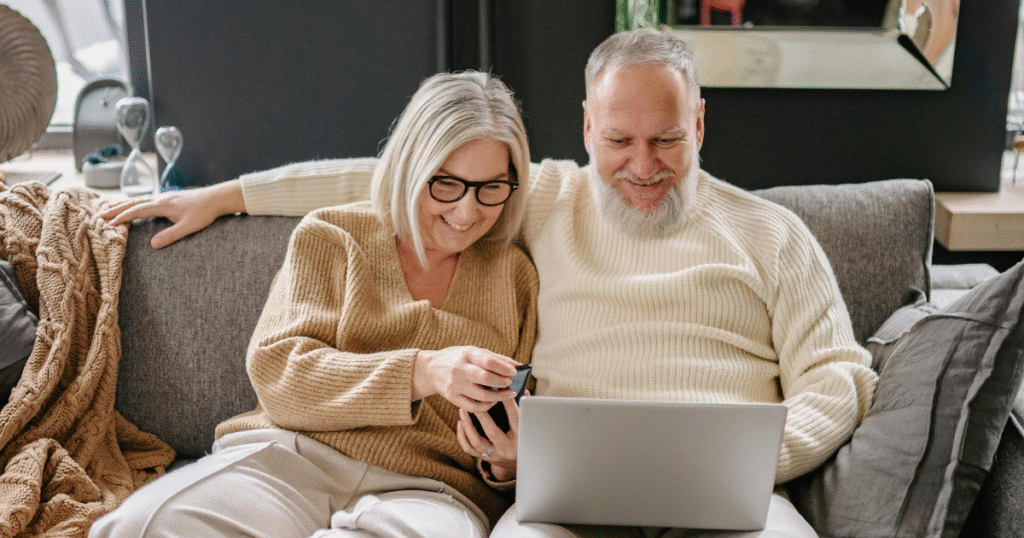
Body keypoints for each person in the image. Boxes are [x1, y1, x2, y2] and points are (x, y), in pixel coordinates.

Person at [103, 29, 878, 537]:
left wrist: (756, 457)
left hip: (733, 502)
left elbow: (841, 374)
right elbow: (394, 177)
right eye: (619, 140)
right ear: (585, 129)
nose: (643, 166)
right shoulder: (539, 196)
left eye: (667, 139)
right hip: (569, 501)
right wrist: (228, 194)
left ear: (700, 125)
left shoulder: (774, 235)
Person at [90, 71, 539, 538]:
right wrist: (423, 371)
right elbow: (279, 374)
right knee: (140, 526)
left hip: (429, 492)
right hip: (293, 457)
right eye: (446, 185)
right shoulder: (333, 236)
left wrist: (505, 460)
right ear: (411, 167)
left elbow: (510, 452)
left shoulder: (514, 277)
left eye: (491, 188)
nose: (466, 213)